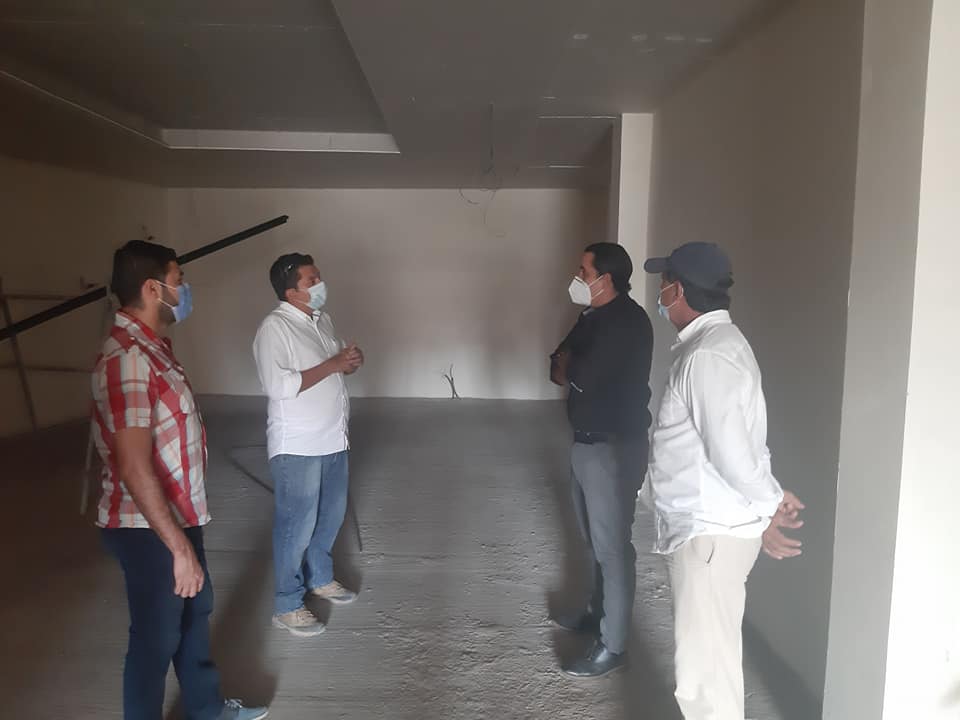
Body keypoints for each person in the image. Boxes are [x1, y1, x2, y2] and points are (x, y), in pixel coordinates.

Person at [92, 240, 268, 720]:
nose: (184, 290)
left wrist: (185, 536)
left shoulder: (154, 349)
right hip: (144, 525)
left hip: (176, 515)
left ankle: (207, 709)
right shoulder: (128, 358)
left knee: (194, 614)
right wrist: (178, 548)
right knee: (156, 635)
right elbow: (133, 466)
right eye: (179, 280)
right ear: (153, 289)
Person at [642, 241, 805, 720]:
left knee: (706, 682)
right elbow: (742, 444)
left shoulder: (708, 357)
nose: (660, 292)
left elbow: (732, 455)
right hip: (711, 531)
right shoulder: (714, 346)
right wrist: (765, 504)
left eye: (664, 283)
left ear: (679, 290)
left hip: (709, 538)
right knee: (710, 666)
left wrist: (768, 505)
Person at [549, 242, 654, 678]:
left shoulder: (627, 322)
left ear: (605, 279)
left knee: (612, 549)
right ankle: (598, 614)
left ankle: (613, 646)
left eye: (583, 271)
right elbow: (558, 365)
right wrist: (569, 366)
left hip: (613, 449)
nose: (577, 278)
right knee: (595, 541)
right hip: (586, 443)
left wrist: (571, 367)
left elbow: (580, 374)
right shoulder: (591, 317)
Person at [253, 253, 364, 637]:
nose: (320, 284)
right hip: (298, 445)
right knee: (295, 526)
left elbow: (333, 365)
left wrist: (348, 362)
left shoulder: (321, 320)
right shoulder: (275, 328)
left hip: (333, 438)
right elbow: (278, 386)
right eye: (311, 280)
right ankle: (287, 604)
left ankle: (320, 577)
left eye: (319, 277)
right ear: (291, 292)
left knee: (330, 515)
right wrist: (333, 365)